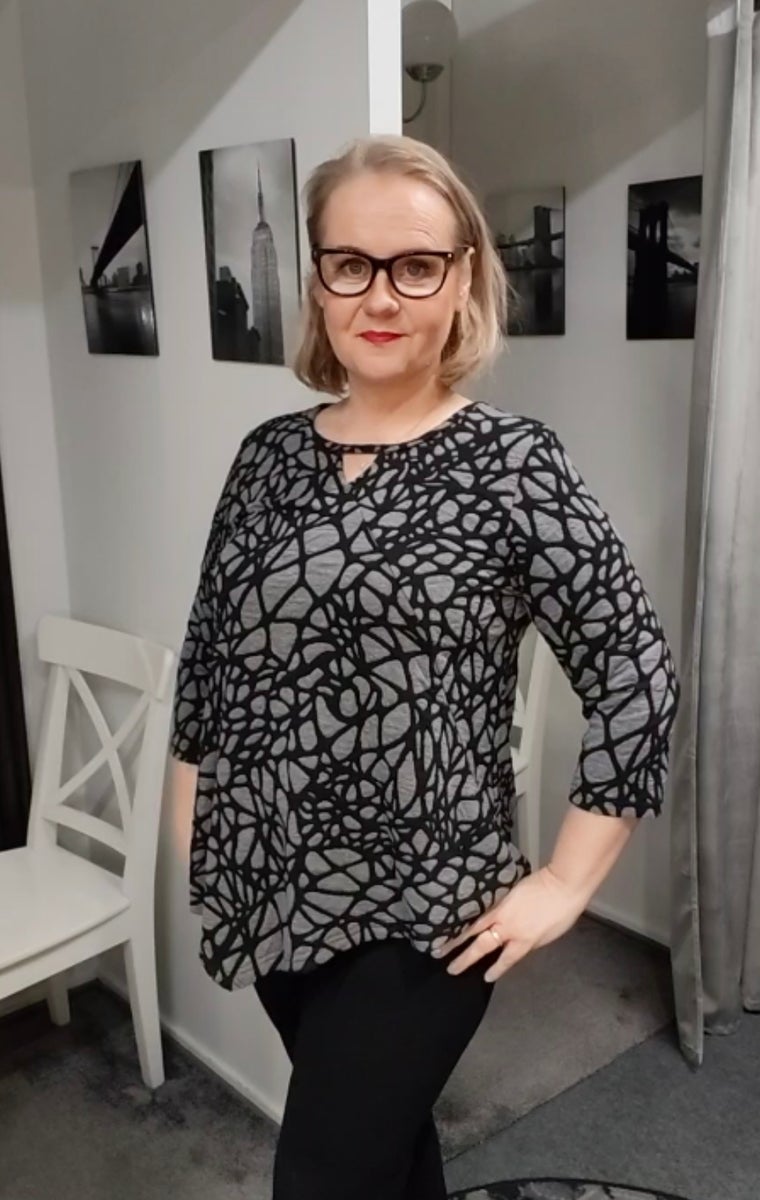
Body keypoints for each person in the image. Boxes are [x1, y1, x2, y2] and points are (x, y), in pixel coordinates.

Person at [169, 134, 680, 1200]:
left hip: (427, 911)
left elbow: (635, 671)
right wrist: (198, 839)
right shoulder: (266, 457)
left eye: (414, 265)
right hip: (270, 887)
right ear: (318, 278)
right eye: (349, 263)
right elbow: (211, 663)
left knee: (321, 1174)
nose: (379, 295)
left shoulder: (514, 464)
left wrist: (564, 884)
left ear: (461, 278)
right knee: (389, 1153)